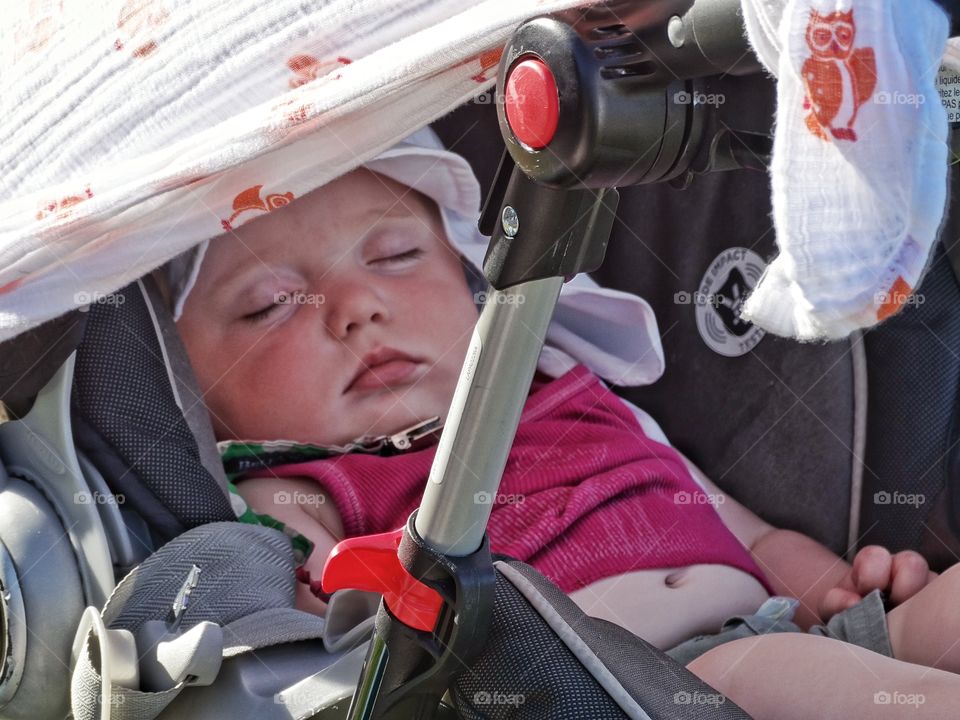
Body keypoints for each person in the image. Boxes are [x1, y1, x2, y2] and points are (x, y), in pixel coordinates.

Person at [171, 132, 960, 718]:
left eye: (397, 256)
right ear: (194, 390)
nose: (355, 307)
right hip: (656, 683)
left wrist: (835, 584)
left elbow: (746, 533)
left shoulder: (568, 393)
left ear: (473, 282)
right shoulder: (308, 488)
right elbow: (311, 609)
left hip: (793, 627)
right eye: (270, 304)